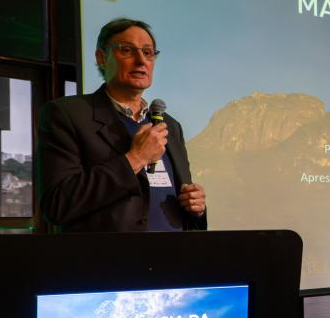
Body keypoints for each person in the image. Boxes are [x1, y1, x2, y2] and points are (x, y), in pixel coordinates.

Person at [37, 18, 207, 232]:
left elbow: (181, 203)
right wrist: (135, 159)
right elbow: (57, 205)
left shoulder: (171, 126)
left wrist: (197, 209)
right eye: (127, 50)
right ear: (101, 58)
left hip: (174, 259)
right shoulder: (67, 115)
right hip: (110, 261)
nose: (141, 61)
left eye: (148, 52)